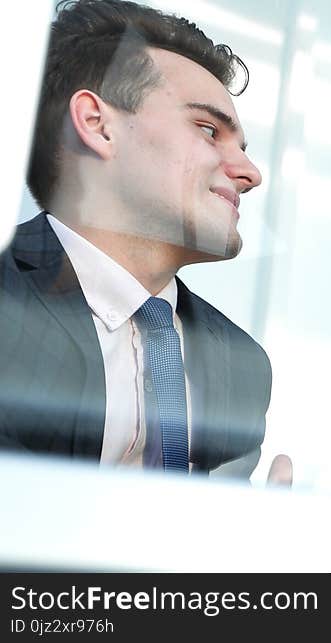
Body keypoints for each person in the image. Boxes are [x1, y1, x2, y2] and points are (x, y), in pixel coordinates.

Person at [0, 0, 290, 484]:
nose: (249, 173)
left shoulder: (243, 368)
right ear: (96, 124)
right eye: (207, 129)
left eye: (242, 148)